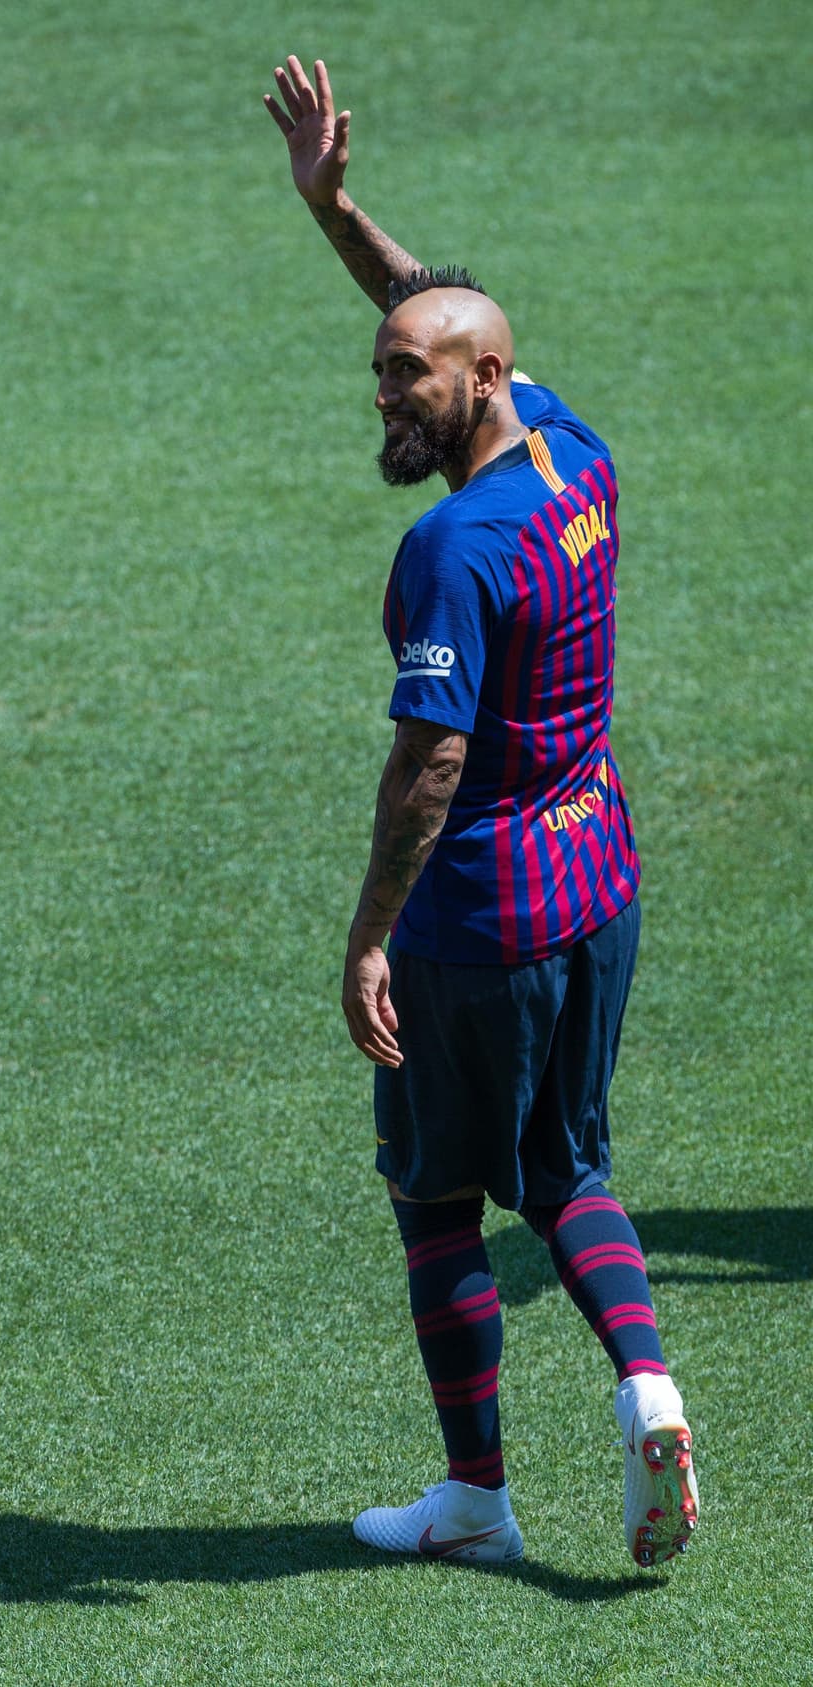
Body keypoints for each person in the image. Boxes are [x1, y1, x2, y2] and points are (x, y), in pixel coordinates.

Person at [263, 55, 698, 1569]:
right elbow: (443, 308)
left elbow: (429, 769)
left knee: (439, 1192)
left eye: (408, 377)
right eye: (382, 370)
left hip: (482, 919)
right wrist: (336, 212)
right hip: (598, 878)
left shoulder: (453, 549)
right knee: (569, 1170)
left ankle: (476, 1502)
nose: (385, 390)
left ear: (481, 382)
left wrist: (367, 940)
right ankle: (648, 1384)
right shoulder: (571, 452)